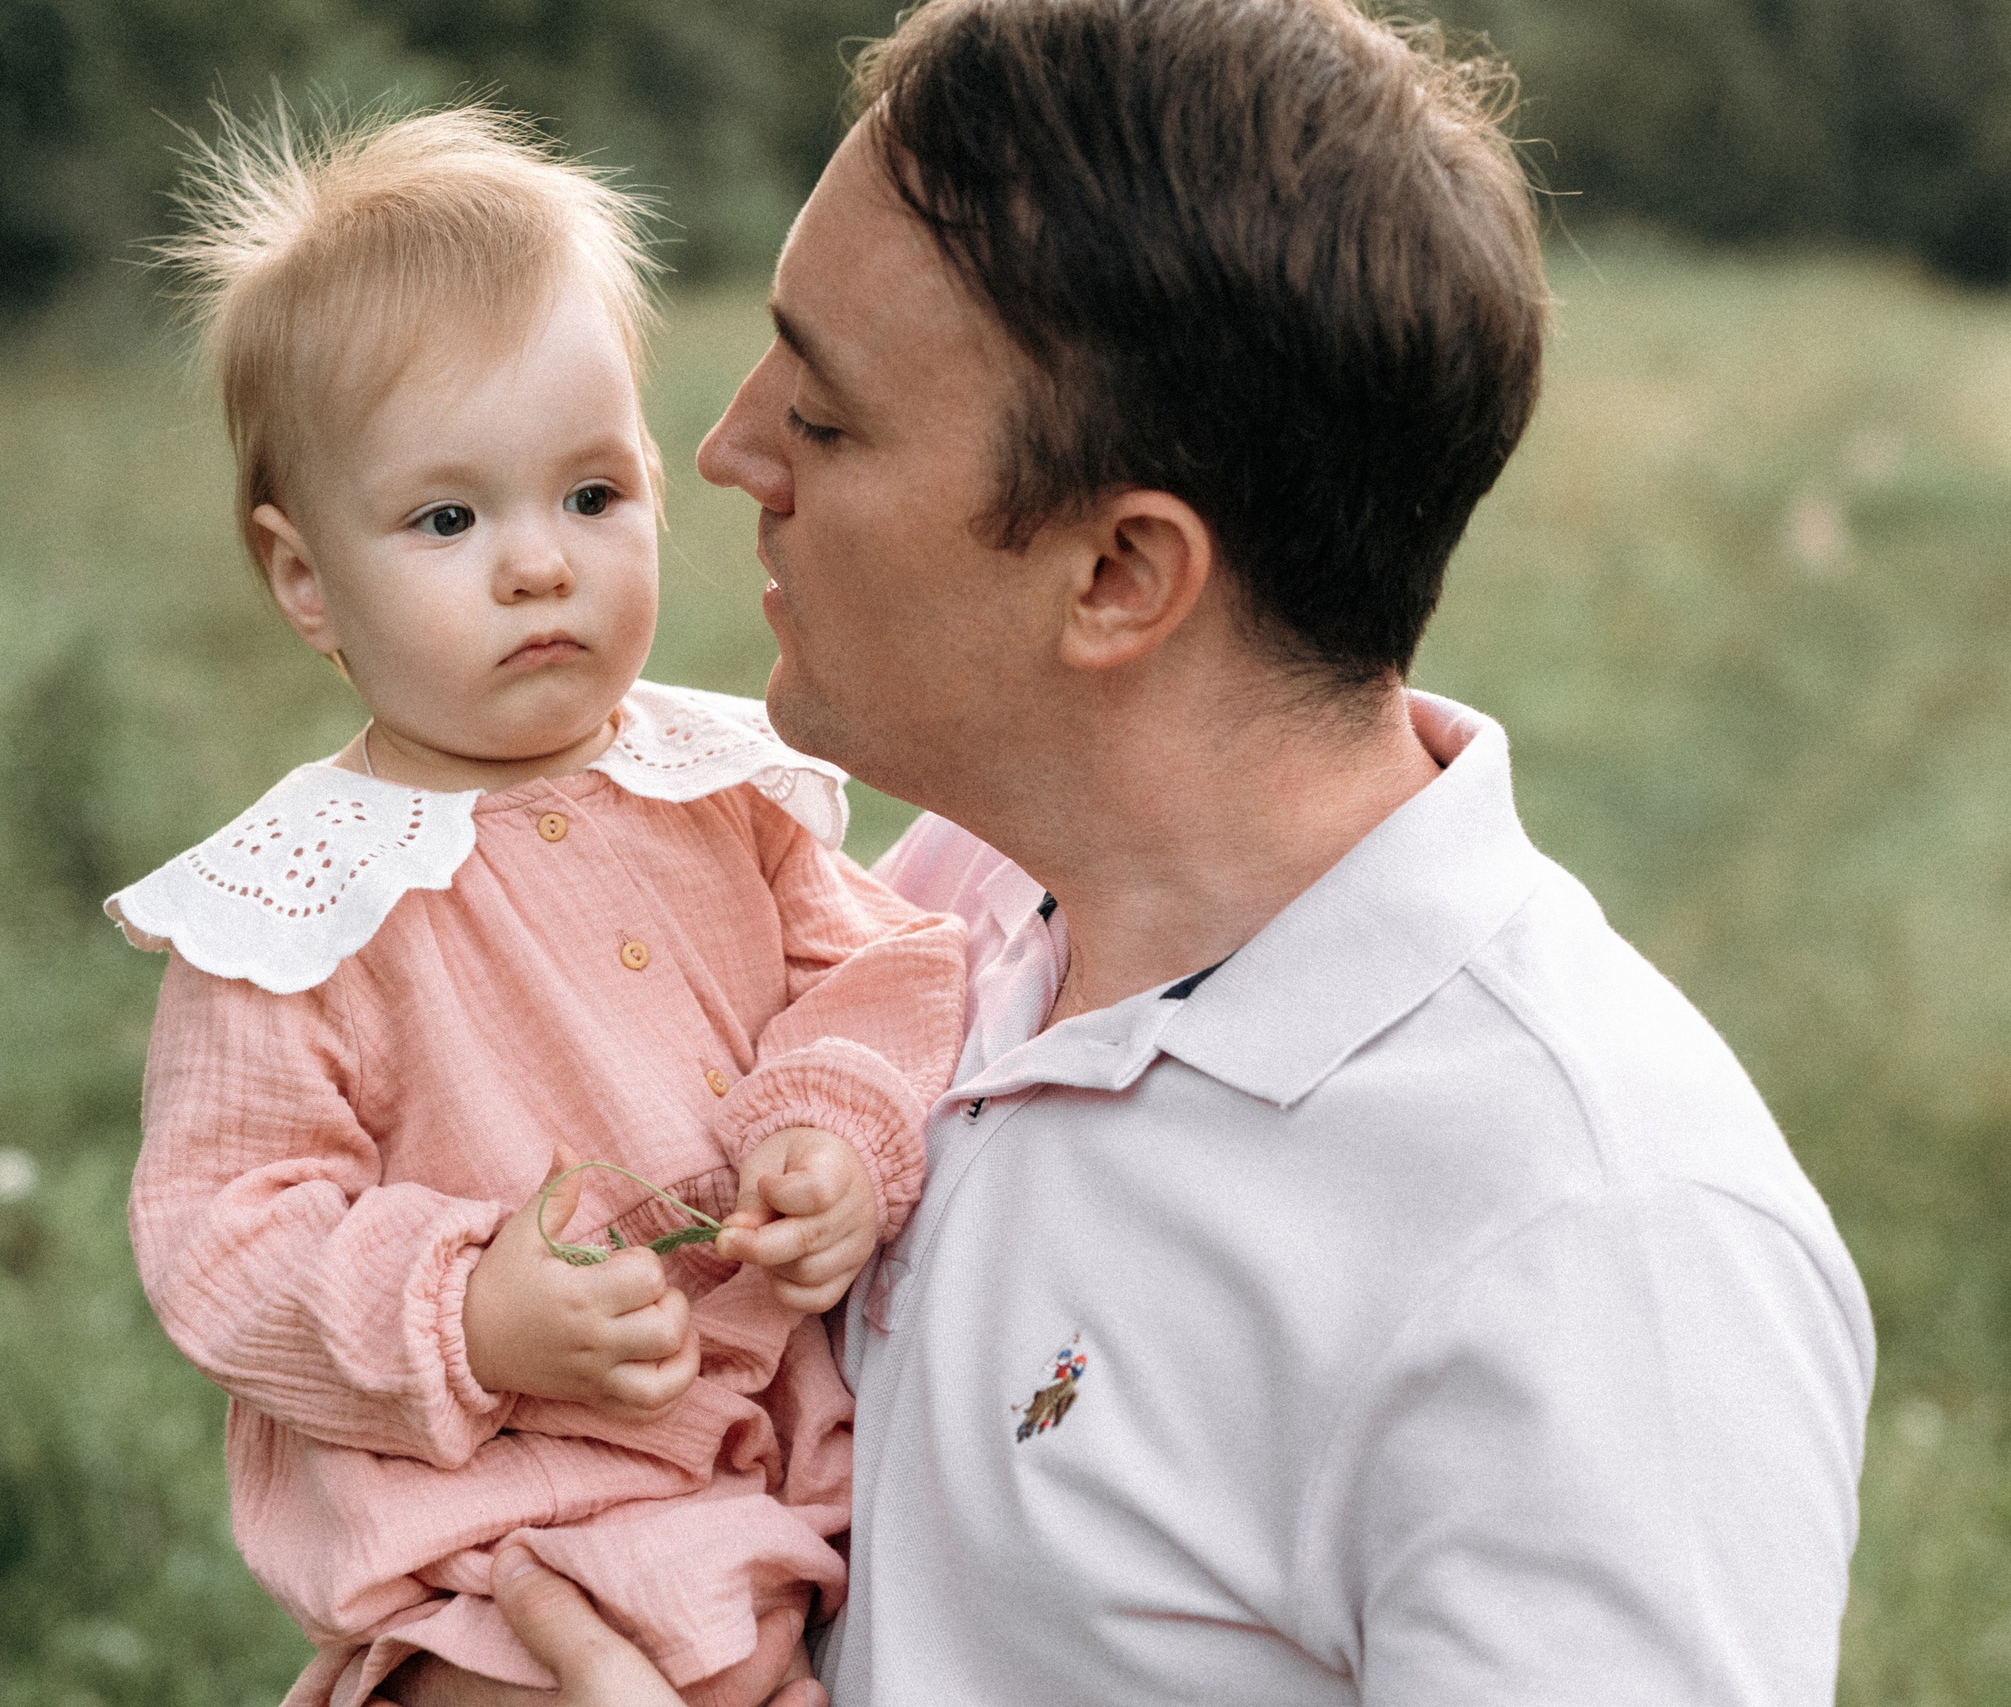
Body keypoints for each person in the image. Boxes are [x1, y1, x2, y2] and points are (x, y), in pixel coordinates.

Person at [495, 0, 1878, 1702]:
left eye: (833, 421)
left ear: (1119, 576)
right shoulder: (936, 911)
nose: (731, 451)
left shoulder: (1593, 1250)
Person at [104, 108, 967, 1707]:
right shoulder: (307, 904)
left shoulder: (727, 785)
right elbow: (223, 1234)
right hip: (500, 1554)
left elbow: (890, 968)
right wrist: (470, 1314)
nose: (537, 569)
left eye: (590, 496)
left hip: (766, 1497)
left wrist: (836, 1125)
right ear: (304, 579)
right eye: (449, 519)